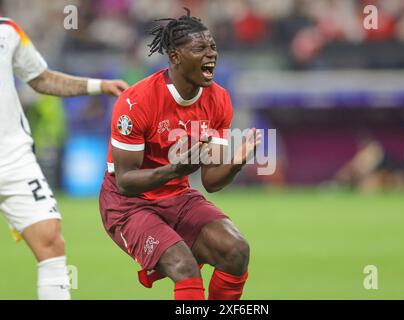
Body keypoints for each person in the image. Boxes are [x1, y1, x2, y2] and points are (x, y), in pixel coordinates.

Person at [99, 8, 261, 300]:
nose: (210, 54)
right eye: (199, 48)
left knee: (235, 249)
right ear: (175, 57)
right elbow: (125, 181)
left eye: (212, 47)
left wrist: (236, 163)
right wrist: (173, 171)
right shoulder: (135, 103)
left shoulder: (220, 100)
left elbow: (211, 181)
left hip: (177, 197)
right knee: (184, 265)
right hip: (129, 205)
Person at [0, 17, 129, 300]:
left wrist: (99, 86)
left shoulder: (8, 31)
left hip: (13, 159)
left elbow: (41, 78)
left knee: (51, 241)